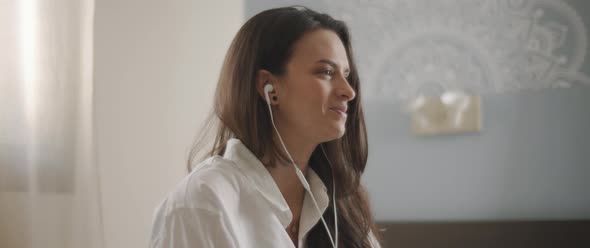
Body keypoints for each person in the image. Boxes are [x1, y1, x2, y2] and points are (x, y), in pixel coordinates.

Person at [149, 6, 381, 248]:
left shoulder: (343, 207)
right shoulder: (202, 204)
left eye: (346, 75)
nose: (349, 91)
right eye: (325, 72)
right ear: (269, 87)